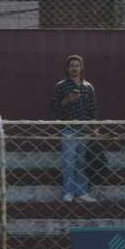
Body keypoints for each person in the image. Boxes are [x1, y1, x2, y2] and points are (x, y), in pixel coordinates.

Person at [51, 54, 98, 203]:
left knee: (81, 162)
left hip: (85, 130)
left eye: (77, 65)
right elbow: (54, 108)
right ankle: (68, 193)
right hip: (68, 129)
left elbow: (93, 108)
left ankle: (82, 192)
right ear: (67, 68)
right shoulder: (61, 86)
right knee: (68, 162)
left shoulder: (88, 87)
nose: (74, 68)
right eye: (72, 66)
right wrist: (67, 100)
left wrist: (94, 127)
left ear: (81, 67)